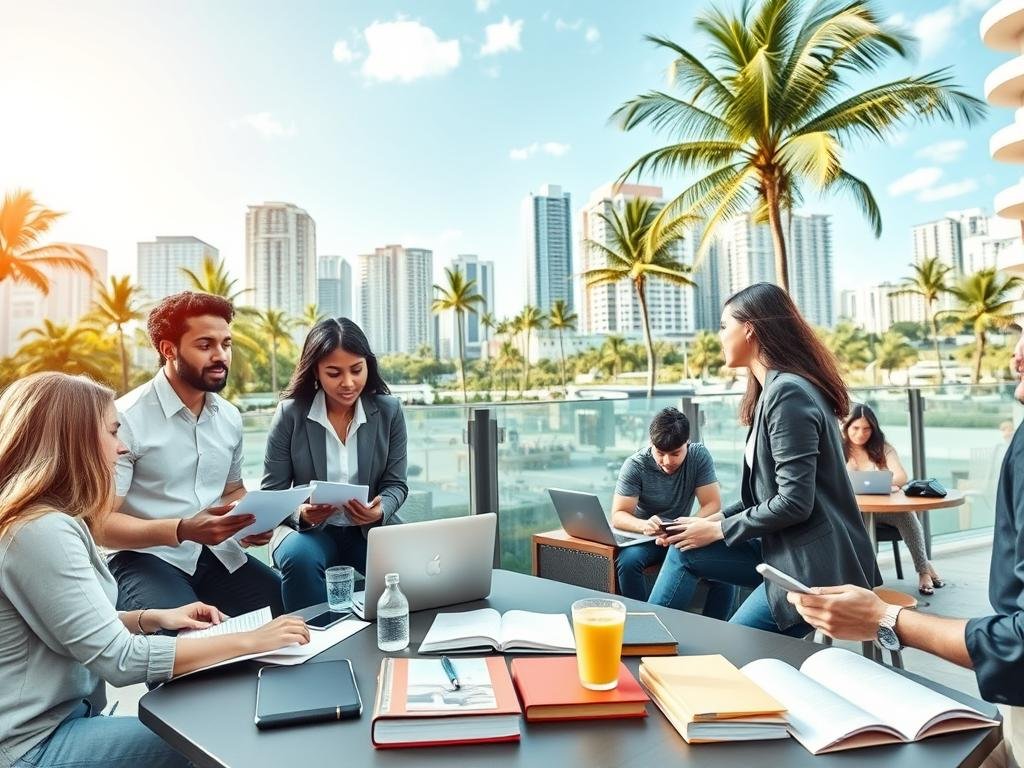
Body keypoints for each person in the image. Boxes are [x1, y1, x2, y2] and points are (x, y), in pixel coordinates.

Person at [0, 373, 310, 768]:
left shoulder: (49, 521)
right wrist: (252, 640)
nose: (122, 446)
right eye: (112, 432)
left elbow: (67, 623)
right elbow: (120, 659)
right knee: (208, 737)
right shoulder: (40, 532)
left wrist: (148, 618)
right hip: (33, 744)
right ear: (72, 440)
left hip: (64, 720)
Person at [789, 331, 1024, 768]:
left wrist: (884, 616)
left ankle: (920, 569)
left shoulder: (883, 449)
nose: (1016, 354)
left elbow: (1021, 641)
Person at [647, 283, 880, 636]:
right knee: (684, 549)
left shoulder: (788, 393)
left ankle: (683, 655)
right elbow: (763, 495)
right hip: (783, 549)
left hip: (811, 567)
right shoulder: (773, 391)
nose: (719, 336)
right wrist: (699, 526)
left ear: (750, 328)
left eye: (724, 326)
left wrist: (718, 528)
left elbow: (794, 502)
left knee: (732, 649)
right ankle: (648, 642)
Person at [92, 292, 284, 618]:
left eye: (226, 344)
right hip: (141, 558)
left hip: (215, 553)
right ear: (169, 350)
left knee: (282, 606)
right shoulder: (125, 420)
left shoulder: (229, 417)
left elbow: (232, 490)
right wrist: (182, 529)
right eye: (205, 345)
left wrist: (251, 522)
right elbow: (100, 522)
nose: (221, 356)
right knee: (180, 636)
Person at [263, 317, 408, 612]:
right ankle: (313, 640)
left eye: (357, 370)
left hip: (367, 529)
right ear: (315, 370)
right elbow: (272, 492)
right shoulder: (290, 414)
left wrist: (380, 510)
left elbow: (396, 484)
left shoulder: (389, 411)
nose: (348, 383)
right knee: (299, 558)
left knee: (409, 562)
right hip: (308, 533)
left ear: (368, 364)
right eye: (334, 373)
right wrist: (300, 513)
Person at [611, 407, 733, 610]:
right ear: (651, 443)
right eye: (660, 453)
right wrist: (644, 525)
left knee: (725, 568)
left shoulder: (698, 456)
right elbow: (618, 515)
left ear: (687, 443)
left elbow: (712, 505)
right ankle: (640, 619)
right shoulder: (635, 465)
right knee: (628, 561)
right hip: (648, 536)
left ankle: (717, 628)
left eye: (675, 453)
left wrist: (683, 526)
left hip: (684, 532)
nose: (667, 461)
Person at [843, 403, 944, 595]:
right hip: (851, 511)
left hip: (882, 511)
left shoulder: (883, 448)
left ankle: (923, 572)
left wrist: (886, 482)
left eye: (867, 429)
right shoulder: (838, 448)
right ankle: (864, 579)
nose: (860, 434)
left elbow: (901, 477)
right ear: (847, 427)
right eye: (855, 428)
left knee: (907, 515)